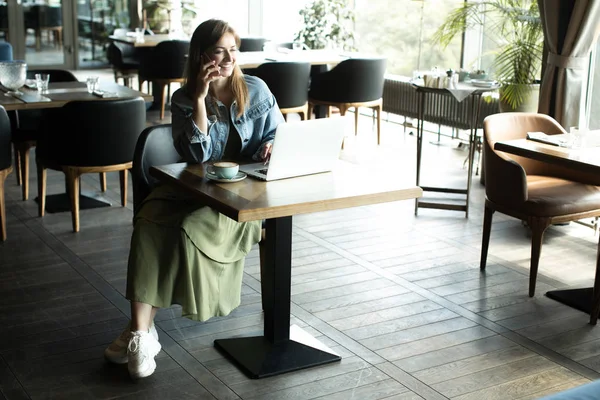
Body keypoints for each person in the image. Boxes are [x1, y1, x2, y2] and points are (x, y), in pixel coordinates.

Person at [103, 19, 284, 380]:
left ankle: (139, 332)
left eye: (233, 50)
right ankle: (142, 333)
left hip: (241, 198)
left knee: (185, 228)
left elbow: (279, 135)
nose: (229, 57)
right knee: (149, 221)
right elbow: (199, 156)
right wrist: (201, 98)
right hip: (194, 188)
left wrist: (269, 145)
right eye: (220, 50)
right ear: (202, 55)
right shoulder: (184, 98)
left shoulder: (257, 90)